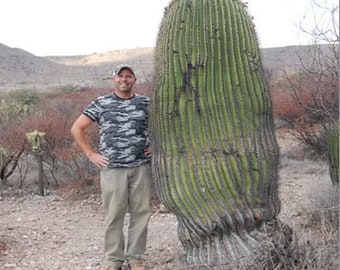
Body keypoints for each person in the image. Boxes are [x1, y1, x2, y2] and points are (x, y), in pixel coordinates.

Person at [71, 64, 152, 270]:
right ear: (113, 79)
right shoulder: (101, 103)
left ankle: (135, 258)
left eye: (128, 76)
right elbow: (77, 128)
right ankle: (114, 259)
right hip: (113, 168)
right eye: (120, 76)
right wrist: (91, 154)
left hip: (140, 167)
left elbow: (163, 127)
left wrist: (156, 147)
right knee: (114, 214)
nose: (124, 79)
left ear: (134, 80)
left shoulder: (145, 103)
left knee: (140, 213)